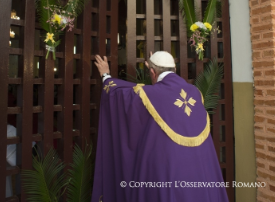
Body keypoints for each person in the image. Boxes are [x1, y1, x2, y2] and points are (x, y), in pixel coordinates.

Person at [91, 51, 229, 202]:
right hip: (199, 173)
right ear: (174, 69)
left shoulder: (148, 93)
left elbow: (118, 94)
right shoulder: (195, 93)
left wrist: (106, 76)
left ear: (152, 72)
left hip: (167, 172)